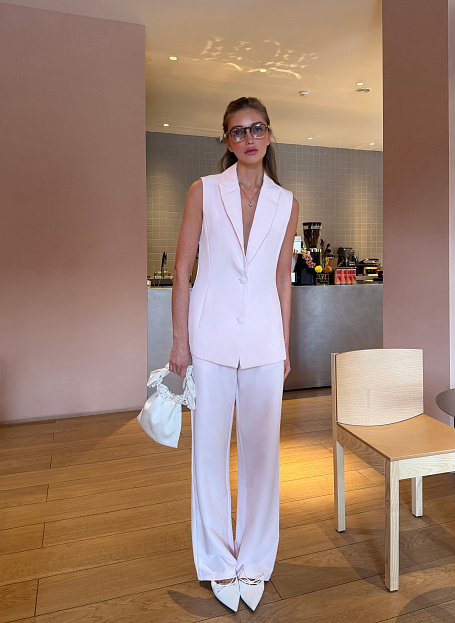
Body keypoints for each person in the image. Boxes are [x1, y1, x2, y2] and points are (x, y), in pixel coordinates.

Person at [169, 96, 299, 612]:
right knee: (208, 453)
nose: (249, 139)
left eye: (257, 129)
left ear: (269, 134)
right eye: (238, 131)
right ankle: (218, 562)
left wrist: (285, 343)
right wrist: (180, 341)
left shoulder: (286, 202)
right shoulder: (203, 190)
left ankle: (256, 560)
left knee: (263, 456)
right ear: (226, 139)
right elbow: (183, 269)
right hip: (210, 341)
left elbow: (282, 279)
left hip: (265, 341)